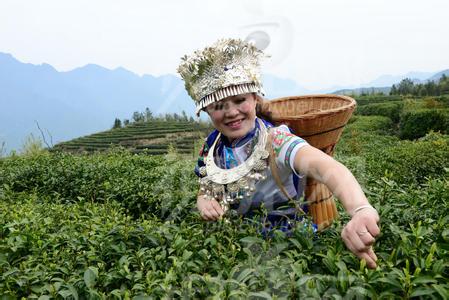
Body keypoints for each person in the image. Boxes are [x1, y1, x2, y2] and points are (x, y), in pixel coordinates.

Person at [177, 38, 380, 269]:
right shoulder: (213, 144)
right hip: (237, 245)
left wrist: (361, 210)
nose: (231, 112)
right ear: (206, 110)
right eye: (218, 106)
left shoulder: (277, 140)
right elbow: (205, 184)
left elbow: (327, 168)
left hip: (292, 246)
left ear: (255, 98)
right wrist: (203, 200)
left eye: (240, 100)